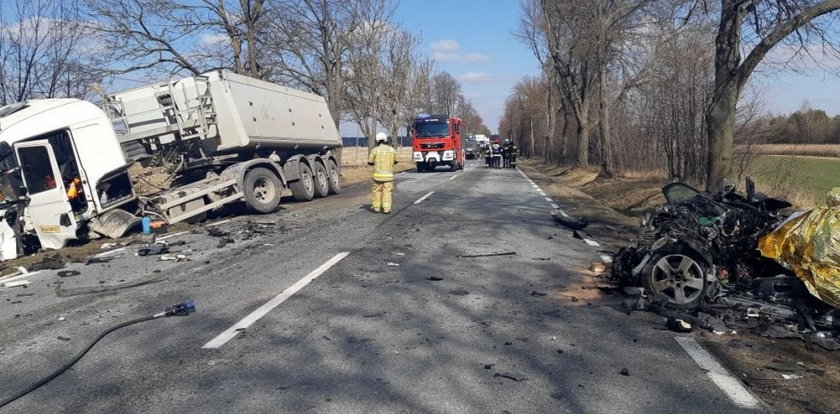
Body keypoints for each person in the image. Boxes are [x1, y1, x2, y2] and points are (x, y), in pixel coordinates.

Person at [368, 132, 397, 214]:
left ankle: (376, 208)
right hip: (388, 177)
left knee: (376, 191)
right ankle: (386, 209)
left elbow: (370, 162)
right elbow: (396, 161)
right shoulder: (392, 150)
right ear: (385, 140)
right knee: (387, 192)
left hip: (377, 177)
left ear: (377, 140)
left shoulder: (375, 150)